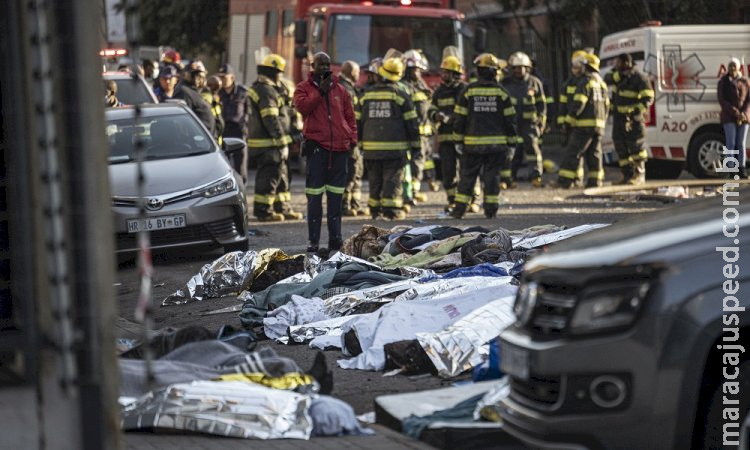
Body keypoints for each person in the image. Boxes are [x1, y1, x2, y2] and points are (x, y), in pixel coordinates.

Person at [294, 52, 357, 253]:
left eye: (328, 64)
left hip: (339, 152)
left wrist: (352, 139)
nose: (325, 68)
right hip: (317, 152)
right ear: (313, 66)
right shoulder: (303, 88)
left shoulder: (340, 90)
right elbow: (303, 108)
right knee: (314, 199)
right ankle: (313, 242)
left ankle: (335, 241)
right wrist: (319, 92)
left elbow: (350, 118)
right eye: (321, 65)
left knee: (336, 199)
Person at [451, 53, 517, 219]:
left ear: (479, 71)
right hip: (496, 146)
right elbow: (510, 121)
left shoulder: (469, 91)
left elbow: (460, 119)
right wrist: (512, 144)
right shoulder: (502, 93)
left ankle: (459, 210)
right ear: (494, 72)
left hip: (472, 145)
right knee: (492, 178)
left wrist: (458, 140)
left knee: (467, 177)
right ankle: (490, 210)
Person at [357, 52, 419, 221]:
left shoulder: (365, 95)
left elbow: (357, 123)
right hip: (395, 149)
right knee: (392, 179)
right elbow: (411, 124)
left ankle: (375, 210)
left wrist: (360, 143)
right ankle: (391, 211)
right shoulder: (401, 96)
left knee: (374, 180)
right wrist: (416, 146)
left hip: (370, 149)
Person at [248, 53, 293, 222]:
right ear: (274, 72)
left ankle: (283, 207)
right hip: (268, 144)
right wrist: (282, 143)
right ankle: (263, 211)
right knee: (269, 177)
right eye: (280, 72)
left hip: (269, 143)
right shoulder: (266, 91)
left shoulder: (264, 88)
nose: (281, 76)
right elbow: (271, 119)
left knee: (280, 175)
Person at [555, 53, 609, 188]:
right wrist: (602, 121)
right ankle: (595, 182)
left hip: (584, 125)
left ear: (587, 67)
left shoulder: (585, 81)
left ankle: (564, 181)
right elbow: (607, 105)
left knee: (573, 152)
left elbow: (579, 103)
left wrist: (568, 121)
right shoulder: (601, 83)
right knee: (594, 154)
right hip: (599, 125)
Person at [604, 52, 654, 185]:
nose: (616, 65)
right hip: (619, 119)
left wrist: (635, 110)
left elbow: (648, 97)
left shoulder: (639, 77)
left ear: (626, 62)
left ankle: (639, 175)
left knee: (636, 147)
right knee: (620, 146)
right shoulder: (617, 76)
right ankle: (627, 175)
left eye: (618, 62)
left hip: (633, 119)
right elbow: (607, 79)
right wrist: (619, 75)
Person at [428, 54, 466, 212]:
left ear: (455, 74)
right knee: (448, 172)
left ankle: (472, 199)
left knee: (466, 171)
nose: (443, 75)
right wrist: (435, 115)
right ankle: (452, 200)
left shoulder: (464, 89)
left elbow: (468, 112)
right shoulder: (439, 91)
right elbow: (431, 108)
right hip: (445, 138)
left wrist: (453, 118)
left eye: (447, 72)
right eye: (442, 72)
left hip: (463, 138)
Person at [503, 51, 546, 187]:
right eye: (515, 68)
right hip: (512, 124)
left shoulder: (534, 83)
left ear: (527, 68)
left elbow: (542, 105)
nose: (518, 70)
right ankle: (509, 178)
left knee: (533, 151)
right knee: (512, 152)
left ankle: (536, 177)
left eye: (521, 67)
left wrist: (542, 122)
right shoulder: (505, 84)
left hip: (530, 125)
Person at [403, 50, 436, 200]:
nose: (419, 73)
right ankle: (413, 193)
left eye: (419, 70)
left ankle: (425, 183)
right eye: (416, 70)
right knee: (415, 164)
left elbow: (427, 106)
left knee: (423, 160)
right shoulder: (404, 86)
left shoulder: (420, 85)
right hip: (411, 132)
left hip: (423, 133)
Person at [273, 74, 305, 221]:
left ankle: (283, 207)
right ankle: (276, 208)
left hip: (288, 143)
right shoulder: (283, 106)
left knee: (285, 177)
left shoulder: (289, 106)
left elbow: (296, 123)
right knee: (279, 177)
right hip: (279, 145)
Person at [338, 60, 367, 217]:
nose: (359, 75)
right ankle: (344, 206)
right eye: (357, 72)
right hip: (348, 140)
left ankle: (354, 204)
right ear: (351, 72)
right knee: (349, 173)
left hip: (352, 139)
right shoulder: (345, 89)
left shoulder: (347, 87)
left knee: (356, 171)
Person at [558, 49, 590, 185]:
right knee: (576, 153)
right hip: (571, 122)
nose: (575, 70)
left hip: (582, 123)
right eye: (574, 67)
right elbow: (563, 105)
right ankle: (577, 179)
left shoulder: (585, 82)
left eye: (578, 67)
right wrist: (562, 123)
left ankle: (569, 180)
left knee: (576, 152)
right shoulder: (569, 83)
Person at [218, 63, 252, 184]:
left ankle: (242, 189)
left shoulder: (243, 92)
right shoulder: (217, 93)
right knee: (223, 165)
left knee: (240, 166)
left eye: (224, 77)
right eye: (220, 77)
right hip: (223, 131)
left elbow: (249, 112)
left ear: (232, 77)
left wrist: (246, 129)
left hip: (238, 131)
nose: (222, 80)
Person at [717, 57, 750, 178]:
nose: (732, 68)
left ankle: (742, 168)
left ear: (738, 67)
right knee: (730, 143)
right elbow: (722, 100)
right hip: (729, 116)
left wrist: (744, 114)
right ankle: (731, 169)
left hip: (744, 117)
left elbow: (748, 100)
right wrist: (736, 113)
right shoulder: (723, 82)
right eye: (730, 66)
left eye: (734, 66)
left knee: (741, 143)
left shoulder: (745, 81)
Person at [174, 60, 216, 137]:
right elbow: (182, 123)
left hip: (206, 140)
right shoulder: (184, 91)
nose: (198, 79)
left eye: (201, 75)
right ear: (187, 75)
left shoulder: (195, 91)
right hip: (196, 142)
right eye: (195, 75)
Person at [201, 75, 225, 146]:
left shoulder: (215, 100)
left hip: (217, 141)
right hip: (211, 140)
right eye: (216, 88)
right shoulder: (207, 99)